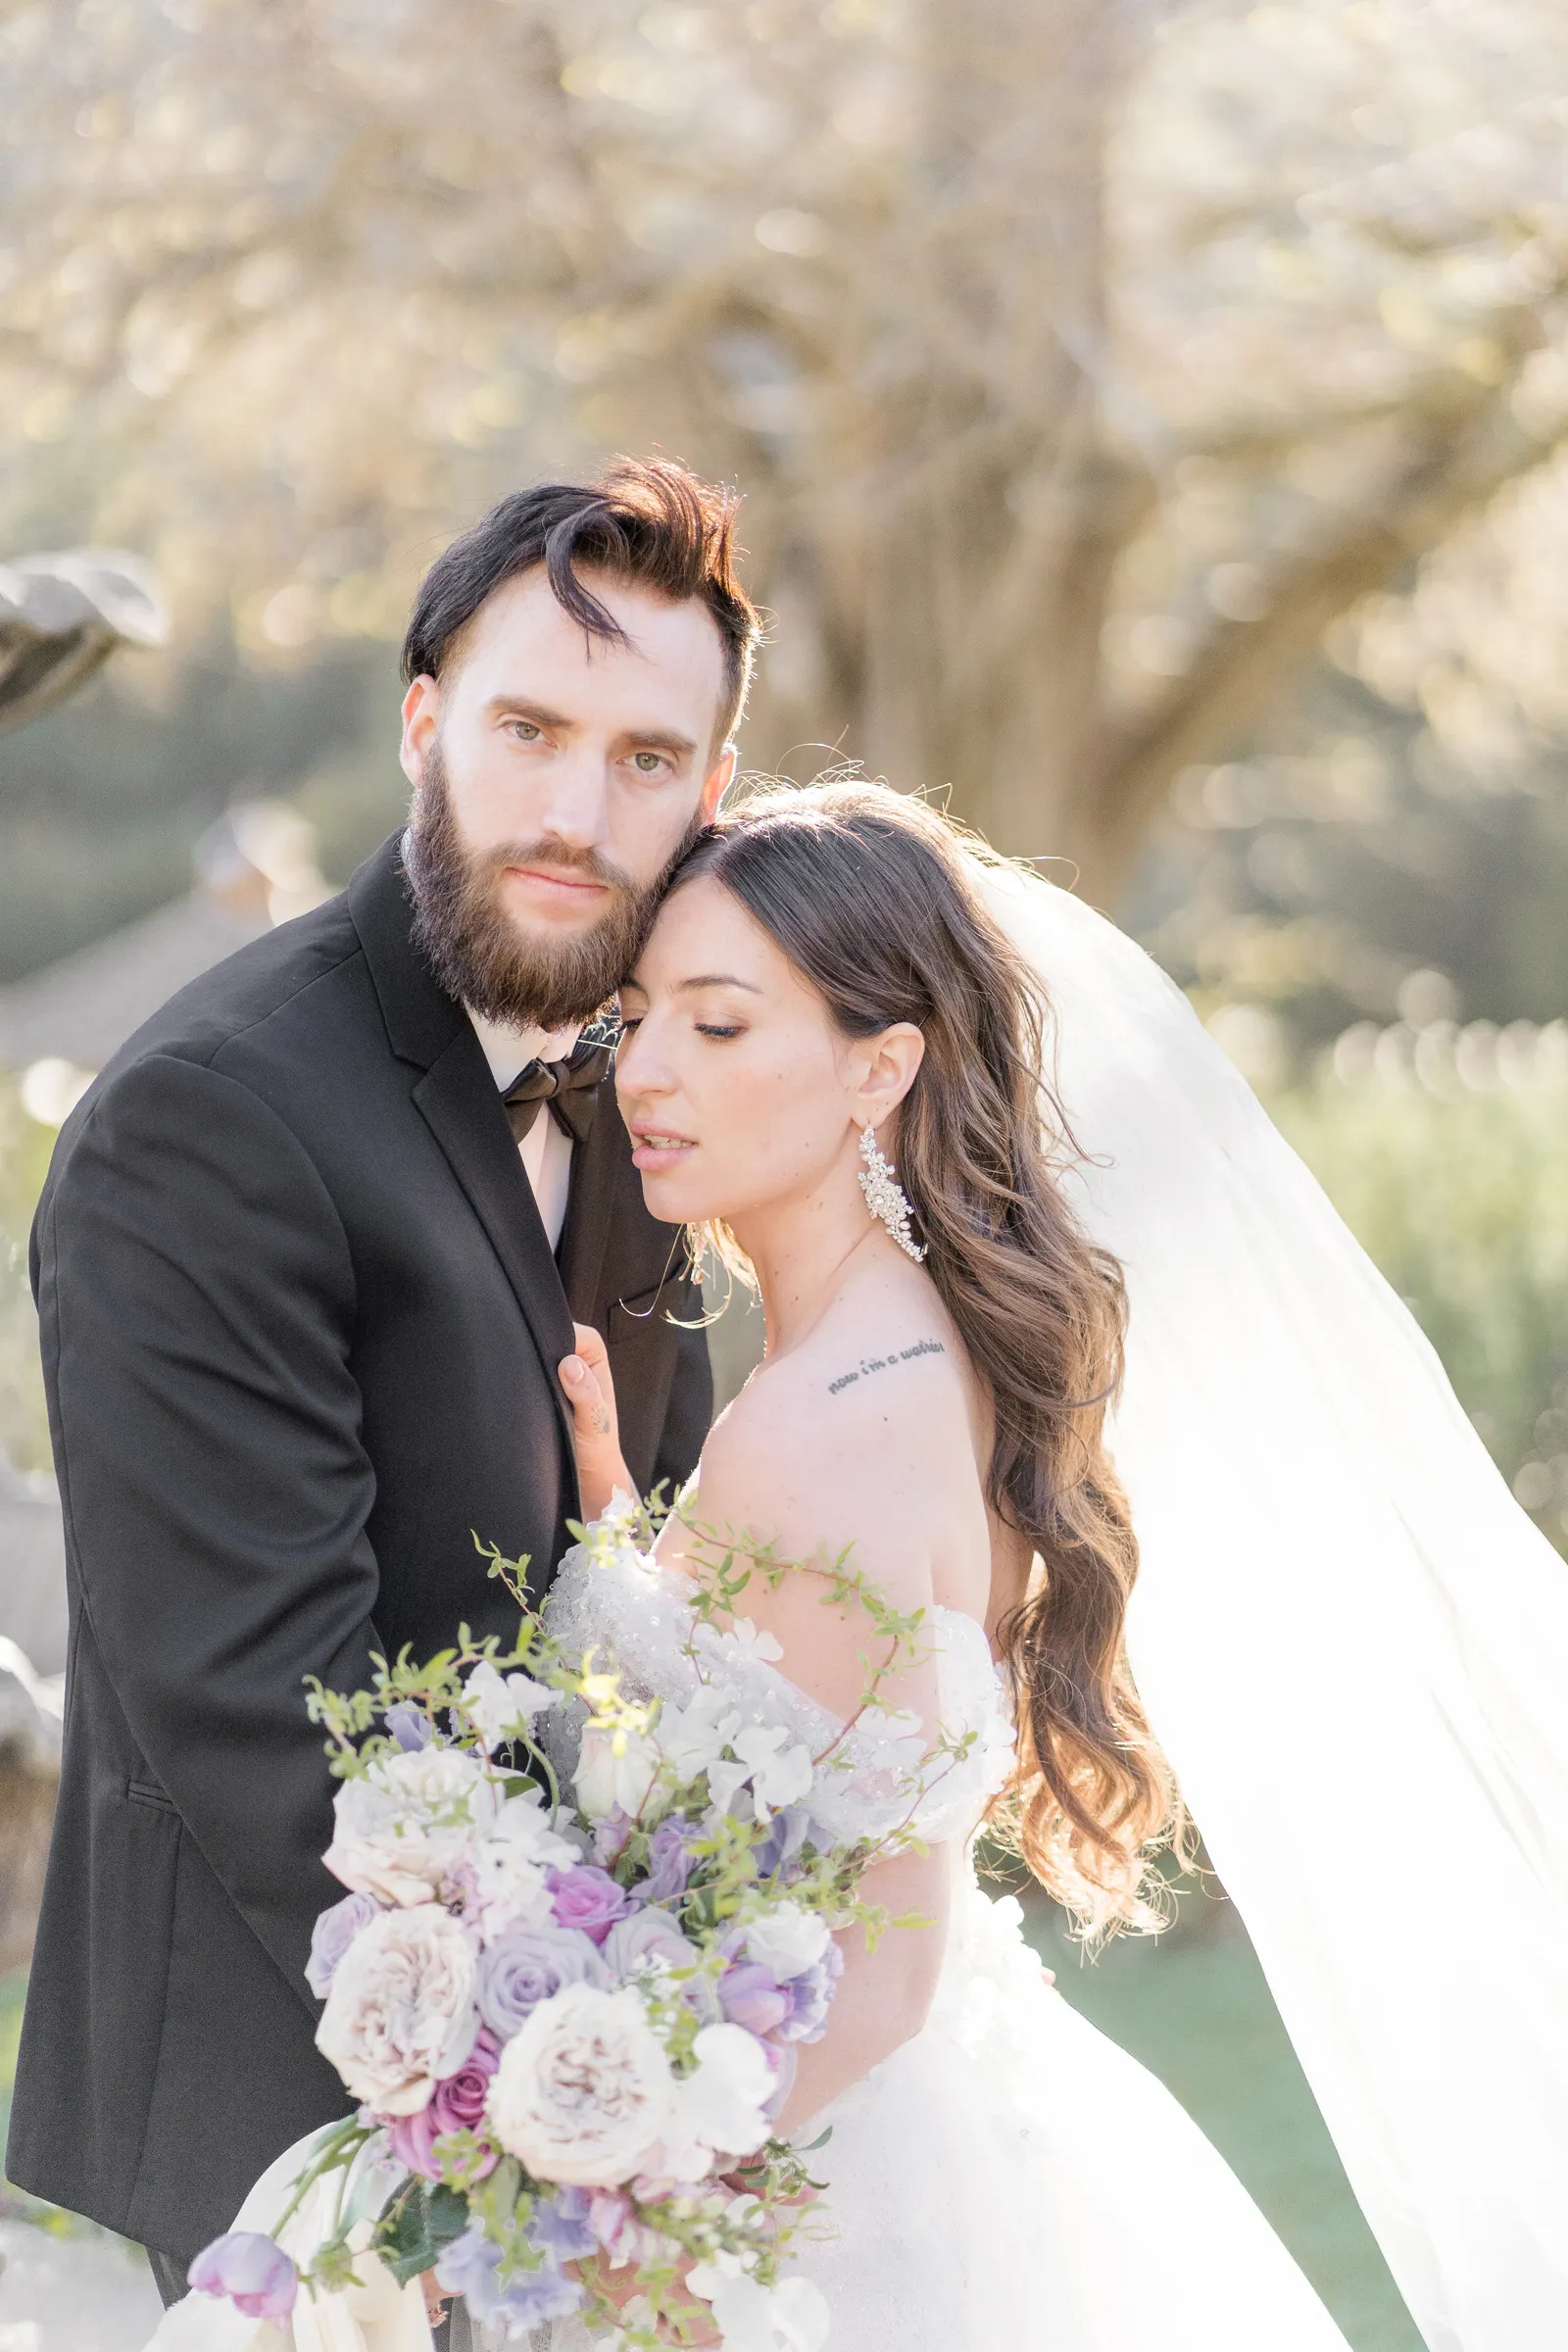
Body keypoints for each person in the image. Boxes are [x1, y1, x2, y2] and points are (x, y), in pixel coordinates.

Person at [543, 779, 1568, 2352]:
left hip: (817, 2211)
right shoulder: (926, 1368)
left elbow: (868, 1976)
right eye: (638, 1015)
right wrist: (621, 1526)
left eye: (721, 1025)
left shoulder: (821, 1424)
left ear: (880, 1068)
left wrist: (600, 2215)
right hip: (938, 2130)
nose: (649, 1072)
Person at [5, 458, 759, 2299]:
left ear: (713, 791)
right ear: (423, 723)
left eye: (648, 759)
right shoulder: (213, 1122)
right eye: (530, 729)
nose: (581, 811)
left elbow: (678, 1572)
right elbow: (275, 1734)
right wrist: (585, 2078)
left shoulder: (647, 1090)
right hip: (287, 2189)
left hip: (596, 2149)